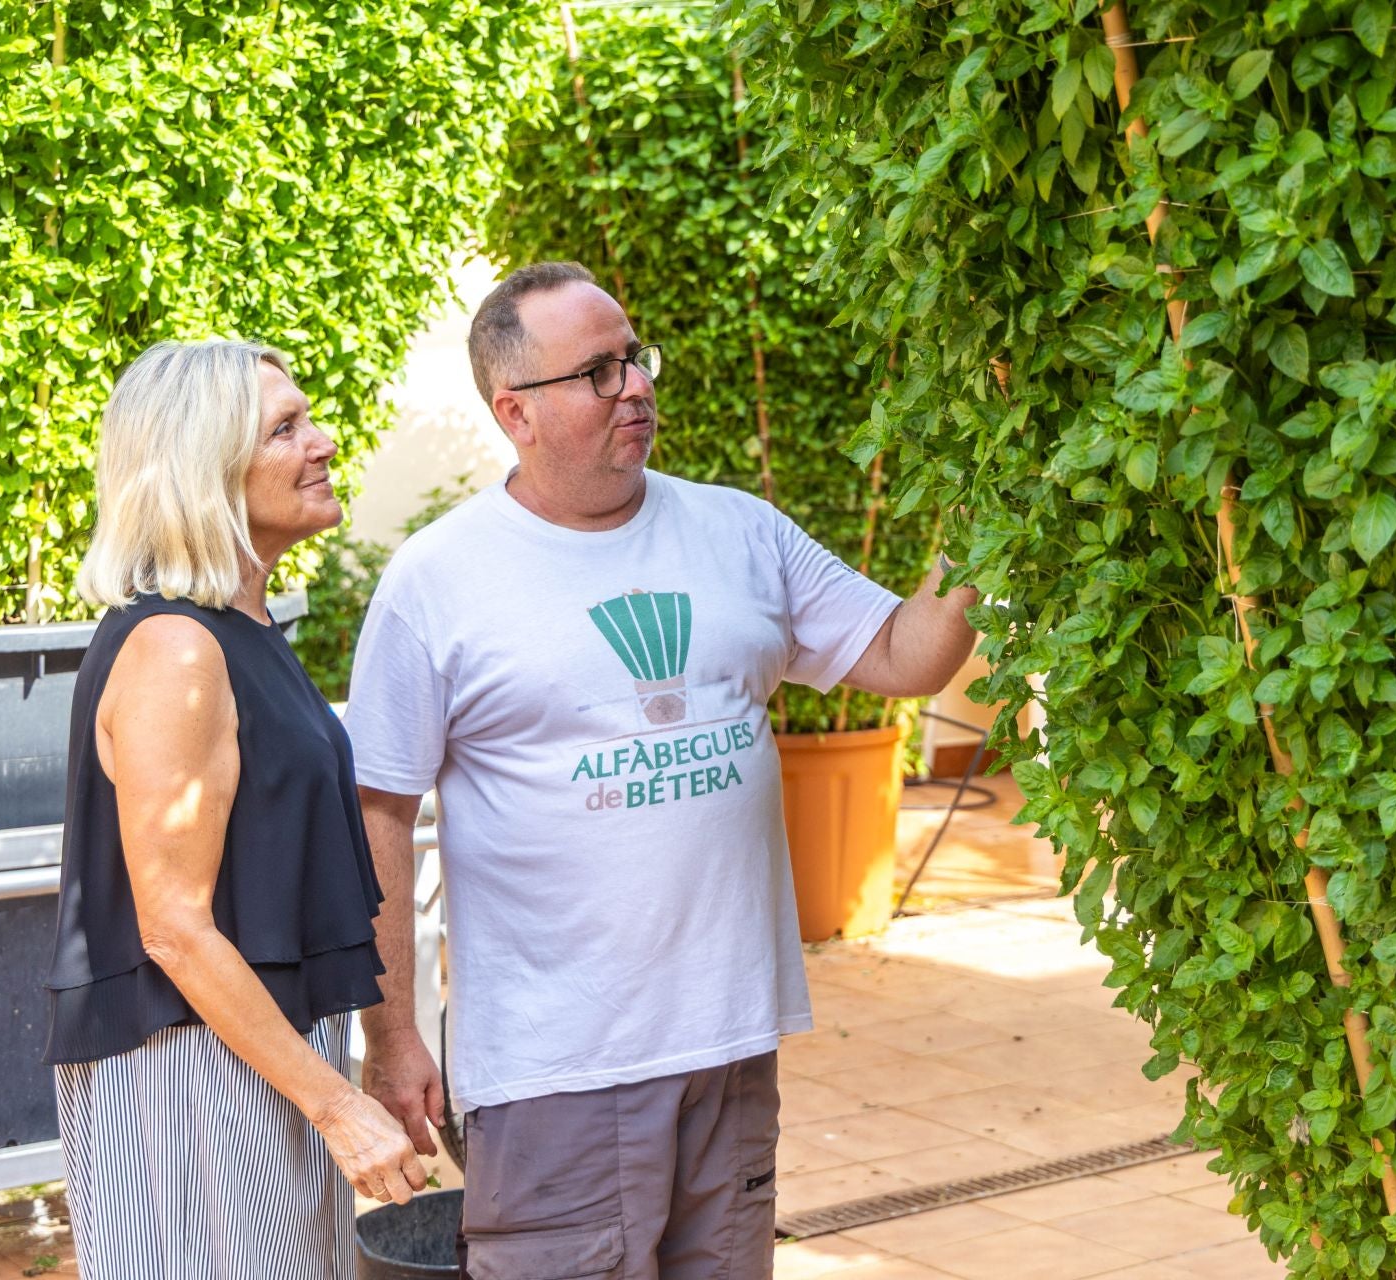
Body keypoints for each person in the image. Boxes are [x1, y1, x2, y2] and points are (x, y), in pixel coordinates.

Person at [343, 261, 979, 1277]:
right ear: (518, 410)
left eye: (635, 358)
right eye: (598, 371)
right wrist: (393, 1035)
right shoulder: (439, 579)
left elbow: (905, 652)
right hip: (558, 1072)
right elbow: (376, 810)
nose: (636, 385)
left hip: (729, 1046)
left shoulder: (739, 530)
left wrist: (988, 524)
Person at [44, 340, 429, 1279]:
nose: (324, 442)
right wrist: (337, 1106)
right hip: (189, 1066)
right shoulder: (176, 646)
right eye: (286, 429)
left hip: (261, 1047)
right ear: (204, 473)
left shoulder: (242, 626)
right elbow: (174, 927)